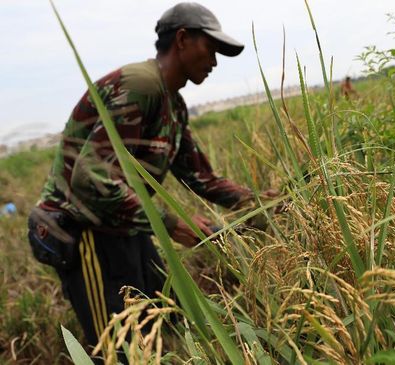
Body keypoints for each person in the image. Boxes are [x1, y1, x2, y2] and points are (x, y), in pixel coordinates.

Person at [27, 2, 270, 352]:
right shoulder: (140, 86)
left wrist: (263, 204)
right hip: (84, 232)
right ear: (183, 39)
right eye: (211, 49)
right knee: (120, 348)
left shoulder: (174, 105)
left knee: (168, 319)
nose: (215, 62)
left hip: (126, 224)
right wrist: (170, 223)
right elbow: (90, 178)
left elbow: (201, 178)